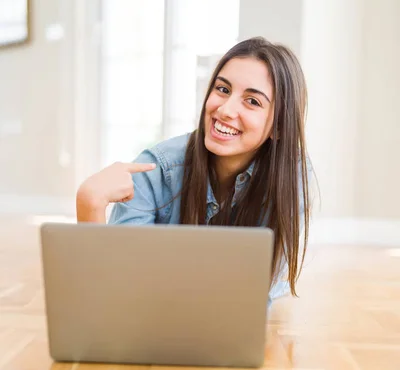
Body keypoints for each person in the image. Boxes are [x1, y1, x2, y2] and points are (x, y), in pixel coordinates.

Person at [76, 36, 313, 302]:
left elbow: (255, 295)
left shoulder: (290, 179)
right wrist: (90, 203)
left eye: (252, 101)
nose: (224, 109)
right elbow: (112, 289)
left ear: (279, 127)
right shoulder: (156, 170)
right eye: (222, 89)